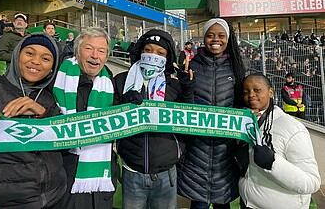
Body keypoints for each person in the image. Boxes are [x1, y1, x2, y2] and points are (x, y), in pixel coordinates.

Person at [0, 32, 67, 208]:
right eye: (30, 53)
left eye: (46, 58)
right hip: (2, 201)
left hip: (54, 197)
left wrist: (42, 113)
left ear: (52, 68)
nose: (36, 61)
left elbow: (65, 142)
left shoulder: (50, 98)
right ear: (17, 56)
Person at [113, 29, 194, 209]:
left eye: (160, 53)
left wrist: (187, 90)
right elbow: (110, 120)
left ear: (167, 58)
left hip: (166, 172)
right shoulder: (121, 81)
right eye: (147, 50)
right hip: (132, 170)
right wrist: (122, 105)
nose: (152, 55)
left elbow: (187, 119)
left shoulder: (174, 84)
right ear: (140, 51)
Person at [177, 18, 246, 209]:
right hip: (195, 155)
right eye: (210, 35)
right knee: (198, 205)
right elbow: (181, 105)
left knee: (222, 205)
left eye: (221, 35)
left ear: (228, 39)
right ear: (204, 38)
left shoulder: (236, 68)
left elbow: (243, 104)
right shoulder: (191, 66)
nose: (216, 39)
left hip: (226, 157)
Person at [52, 27, 117, 209]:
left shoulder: (112, 84)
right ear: (78, 50)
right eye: (89, 48)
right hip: (66, 176)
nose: (95, 55)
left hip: (101, 181)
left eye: (101, 51)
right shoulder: (57, 76)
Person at [239, 73, 321, 209]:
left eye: (257, 90)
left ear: (271, 92)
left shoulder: (292, 128)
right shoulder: (246, 123)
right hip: (248, 204)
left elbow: (312, 182)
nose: (251, 95)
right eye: (246, 92)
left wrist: (273, 163)